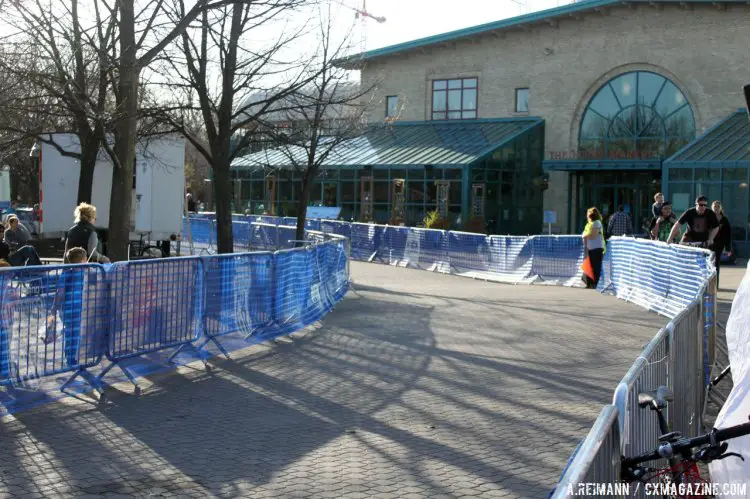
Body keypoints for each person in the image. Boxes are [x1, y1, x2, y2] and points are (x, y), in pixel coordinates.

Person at [582, 207, 606, 289]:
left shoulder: (597, 223)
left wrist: (584, 235)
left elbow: (593, 236)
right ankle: (589, 284)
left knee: (596, 267)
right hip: (589, 249)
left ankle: (595, 284)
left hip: (597, 248)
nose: (587, 216)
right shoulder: (589, 224)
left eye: (589, 214)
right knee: (589, 266)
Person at [712, 200, 732, 286]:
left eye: (718, 206)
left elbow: (728, 234)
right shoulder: (708, 217)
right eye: (715, 206)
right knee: (708, 264)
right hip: (709, 244)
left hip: (719, 245)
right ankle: (708, 285)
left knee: (716, 264)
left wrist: (727, 247)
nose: (716, 208)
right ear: (712, 207)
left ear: (721, 208)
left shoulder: (724, 220)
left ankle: (716, 285)